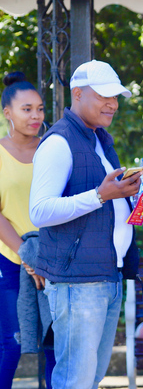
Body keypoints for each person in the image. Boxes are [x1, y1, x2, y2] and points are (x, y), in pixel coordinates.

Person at [29, 60, 143, 388]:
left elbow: (105, 203)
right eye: (104, 96)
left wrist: (135, 202)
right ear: (78, 94)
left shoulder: (100, 139)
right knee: (76, 379)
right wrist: (101, 195)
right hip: (78, 283)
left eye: (116, 97)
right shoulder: (59, 143)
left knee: (91, 377)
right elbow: (40, 211)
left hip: (107, 276)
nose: (113, 103)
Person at [0, 71, 52, 388]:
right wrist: (28, 256)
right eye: (26, 109)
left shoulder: (53, 150)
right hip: (10, 261)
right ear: (8, 113)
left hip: (53, 260)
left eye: (40, 108)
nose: (35, 116)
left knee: (54, 342)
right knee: (13, 342)